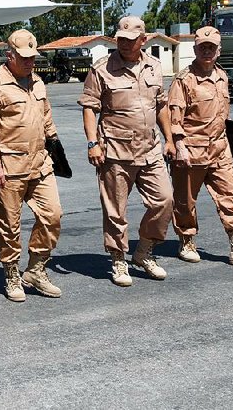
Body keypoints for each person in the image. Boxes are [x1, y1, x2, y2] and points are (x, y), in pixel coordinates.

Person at [78, 16, 175, 287]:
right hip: (115, 151)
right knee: (115, 211)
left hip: (150, 148)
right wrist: (92, 143)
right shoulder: (102, 69)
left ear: (143, 40)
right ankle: (119, 259)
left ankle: (143, 251)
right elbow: (89, 107)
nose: (124, 44)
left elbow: (161, 105)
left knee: (164, 200)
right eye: (120, 39)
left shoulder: (154, 67)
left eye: (130, 40)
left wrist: (169, 138)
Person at [0, 29, 64, 302]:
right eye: (24, 57)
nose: (30, 62)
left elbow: (47, 119)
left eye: (32, 57)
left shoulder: (37, 82)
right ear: (9, 55)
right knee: (10, 226)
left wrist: (55, 148)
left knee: (53, 215)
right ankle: (12, 272)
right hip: (9, 167)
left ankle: (36, 269)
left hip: (40, 163)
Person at [169, 26, 233, 265]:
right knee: (185, 201)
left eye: (211, 47)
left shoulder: (222, 76)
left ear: (219, 51)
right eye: (202, 47)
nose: (207, 51)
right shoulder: (184, 80)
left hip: (219, 149)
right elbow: (174, 118)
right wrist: (179, 146)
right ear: (194, 49)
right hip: (191, 151)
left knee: (232, 196)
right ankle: (186, 241)